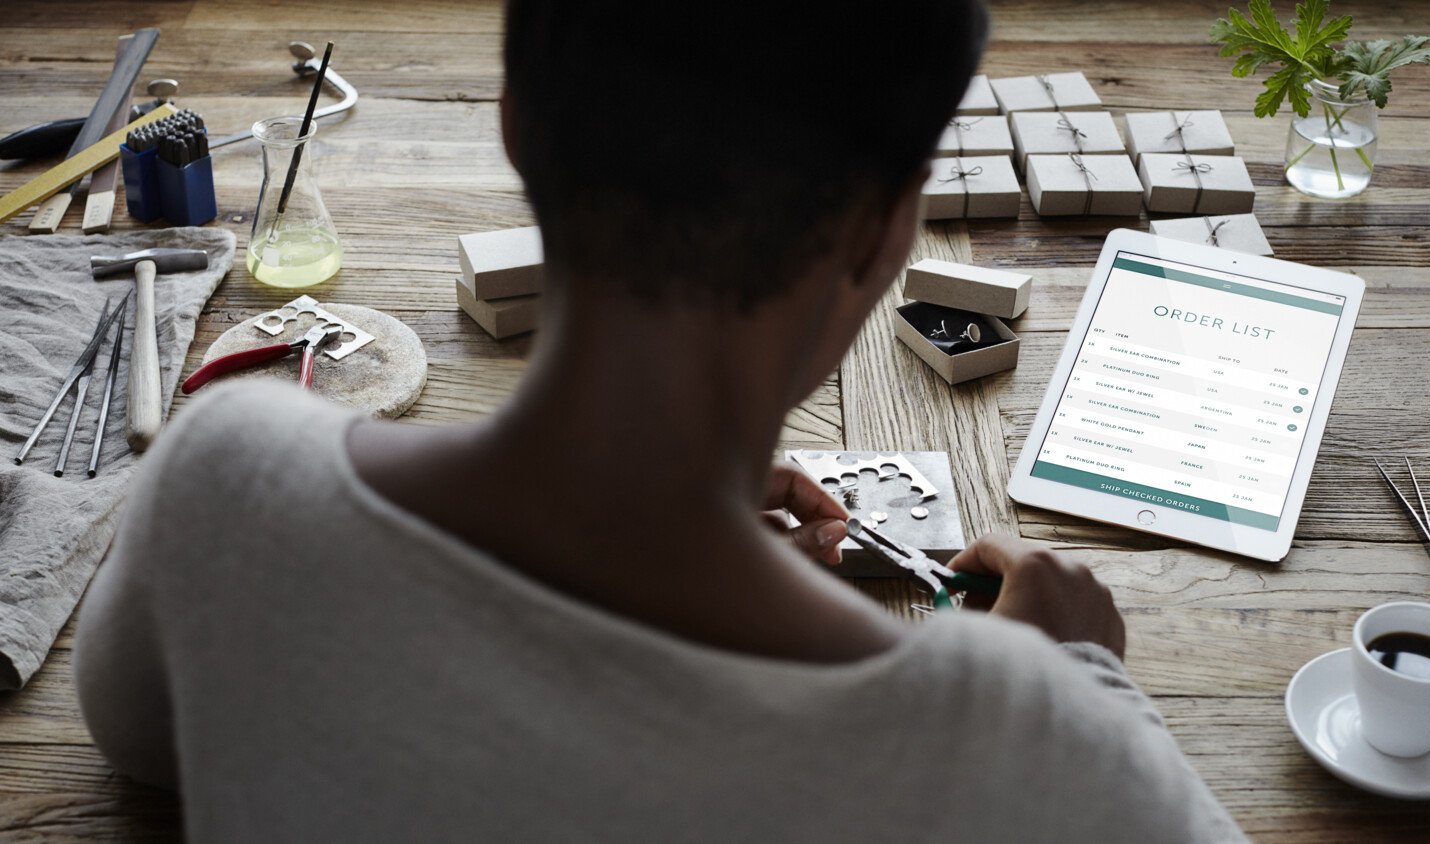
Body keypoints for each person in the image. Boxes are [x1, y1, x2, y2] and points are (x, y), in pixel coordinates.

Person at [75, 1, 1247, 840]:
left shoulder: (223, 473)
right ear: (888, 230)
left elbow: (137, 736)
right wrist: (1084, 680)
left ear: (516, 125)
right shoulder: (1034, 737)